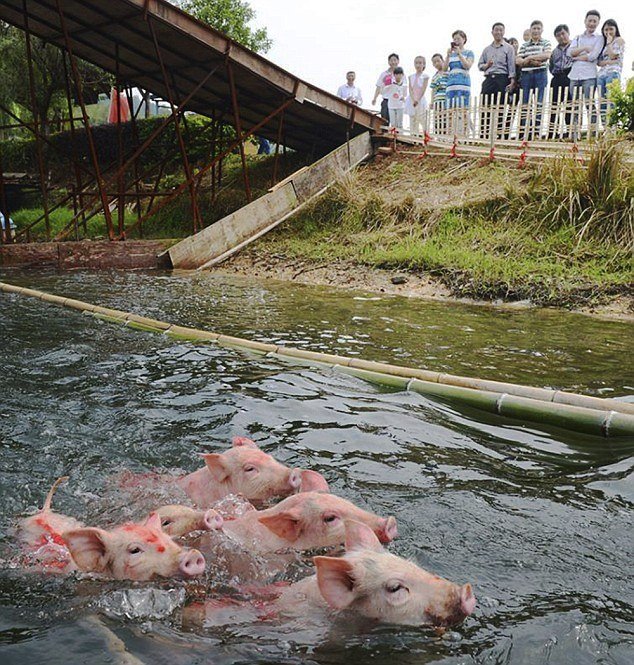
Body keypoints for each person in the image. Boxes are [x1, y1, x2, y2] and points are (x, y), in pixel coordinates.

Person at [568, 9, 604, 136]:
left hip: (589, 75)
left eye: (595, 21)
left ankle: (592, 133)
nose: (592, 23)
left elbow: (593, 56)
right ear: (585, 21)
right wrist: (584, 48)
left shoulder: (600, 38)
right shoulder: (577, 38)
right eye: (590, 20)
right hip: (574, 74)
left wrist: (577, 56)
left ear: (598, 23)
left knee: (589, 103)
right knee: (575, 105)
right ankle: (575, 134)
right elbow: (569, 53)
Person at [478, 22, 515, 138]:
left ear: (504, 32)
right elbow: (480, 65)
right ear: (492, 32)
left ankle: (499, 134)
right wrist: (486, 66)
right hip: (489, 78)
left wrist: (512, 81)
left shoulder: (509, 48)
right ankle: (484, 134)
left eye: (500, 30)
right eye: (496, 30)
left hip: (502, 78)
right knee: (485, 106)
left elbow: (511, 65)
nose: (498, 32)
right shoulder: (487, 49)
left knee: (500, 106)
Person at [516, 20, 552, 137]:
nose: (536, 31)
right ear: (530, 30)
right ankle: (524, 132)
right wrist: (532, 62)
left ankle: (536, 131)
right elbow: (518, 61)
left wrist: (529, 57)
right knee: (525, 103)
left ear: (542, 30)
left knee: (539, 102)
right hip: (526, 75)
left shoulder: (546, 43)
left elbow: (546, 55)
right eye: (534, 28)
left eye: (538, 28)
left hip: (540, 74)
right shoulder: (524, 45)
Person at [597, 19, 625, 124]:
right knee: (602, 102)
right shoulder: (603, 44)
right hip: (601, 74)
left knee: (611, 100)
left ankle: (612, 126)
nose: (608, 31)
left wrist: (609, 44)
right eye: (605, 29)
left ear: (615, 29)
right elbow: (599, 62)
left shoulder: (619, 40)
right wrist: (609, 61)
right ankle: (605, 126)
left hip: (613, 72)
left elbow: (614, 55)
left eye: (611, 29)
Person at [549, 24, 573, 138]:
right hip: (557, 77)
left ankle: (570, 131)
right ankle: (552, 132)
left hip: (569, 76)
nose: (561, 37)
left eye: (563, 34)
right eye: (558, 35)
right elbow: (551, 66)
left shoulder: (574, 46)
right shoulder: (554, 51)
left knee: (569, 105)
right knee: (554, 105)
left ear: (568, 33)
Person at [443, 30, 474, 109]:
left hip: (463, 84)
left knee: (463, 109)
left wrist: (459, 54)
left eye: (458, 39)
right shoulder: (451, 54)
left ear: (464, 39)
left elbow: (467, 66)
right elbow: (444, 69)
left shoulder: (469, 53)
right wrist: (447, 56)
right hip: (451, 84)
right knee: (450, 110)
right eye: (454, 39)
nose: (456, 41)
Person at [405, 56, 430, 135]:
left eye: (420, 63)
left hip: (420, 100)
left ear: (424, 64)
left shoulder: (425, 76)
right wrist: (413, 99)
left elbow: (423, 89)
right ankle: (413, 137)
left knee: (423, 119)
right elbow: (410, 89)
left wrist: (417, 100)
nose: (418, 65)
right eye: (416, 63)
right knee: (412, 118)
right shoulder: (410, 77)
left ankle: (426, 137)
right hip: (411, 100)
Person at [372, 53, 401, 121]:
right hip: (386, 100)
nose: (393, 62)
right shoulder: (384, 74)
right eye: (391, 60)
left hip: (397, 101)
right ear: (388, 62)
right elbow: (378, 86)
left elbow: (404, 87)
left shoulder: (401, 74)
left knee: (396, 124)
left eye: (395, 60)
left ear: (398, 61)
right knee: (385, 121)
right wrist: (375, 98)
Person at [430, 53, 448, 134]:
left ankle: (446, 137)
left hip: (447, 99)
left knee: (446, 118)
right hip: (437, 100)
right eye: (434, 62)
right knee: (438, 119)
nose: (436, 63)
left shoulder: (448, 72)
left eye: (438, 61)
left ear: (443, 60)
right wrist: (432, 101)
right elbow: (433, 90)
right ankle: (439, 136)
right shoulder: (434, 76)